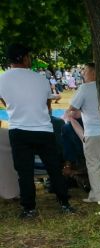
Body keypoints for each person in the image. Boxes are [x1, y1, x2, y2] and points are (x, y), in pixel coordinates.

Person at [0, 43, 73, 218]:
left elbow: (4, 101)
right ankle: (64, 203)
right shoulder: (41, 79)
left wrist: (13, 107)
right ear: (25, 58)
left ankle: (29, 208)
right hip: (43, 129)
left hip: (19, 130)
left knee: (24, 172)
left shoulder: (2, 79)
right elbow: (47, 108)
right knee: (54, 168)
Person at [68, 63, 100, 204]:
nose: (83, 74)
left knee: (93, 166)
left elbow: (72, 108)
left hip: (93, 133)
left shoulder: (85, 88)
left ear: (93, 73)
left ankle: (96, 195)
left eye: (85, 71)